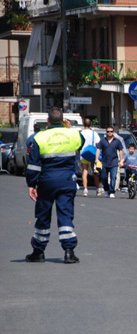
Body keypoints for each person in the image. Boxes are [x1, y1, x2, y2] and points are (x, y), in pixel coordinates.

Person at [25, 107, 84, 264]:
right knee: (65, 214)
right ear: (63, 120)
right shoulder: (73, 135)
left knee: (43, 216)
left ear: (48, 121)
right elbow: (81, 142)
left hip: (47, 181)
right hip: (67, 181)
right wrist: (68, 129)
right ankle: (69, 252)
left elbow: (33, 165)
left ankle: (38, 251)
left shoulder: (39, 138)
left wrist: (31, 184)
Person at [95, 126, 123, 198]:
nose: (109, 133)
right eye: (108, 131)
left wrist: (121, 160)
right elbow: (98, 149)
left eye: (111, 131)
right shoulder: (103, 141)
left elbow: (120, 150)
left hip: (114, 162)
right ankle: (107, 190)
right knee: (104, 178)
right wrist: (96, 159)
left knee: (113, 177)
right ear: (106, 132)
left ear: (113, 132)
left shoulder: (117, 141)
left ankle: (112, 191)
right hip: (104, 162)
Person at [79, 118, 101, 197]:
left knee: (85, 171)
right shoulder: (94, 133)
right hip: (92, 154)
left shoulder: (81, 133)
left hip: (84, 154)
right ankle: (98, 188)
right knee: (95, 171)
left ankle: (85, 189)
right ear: (90, 124)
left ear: (83, 124)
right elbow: (98, 143)